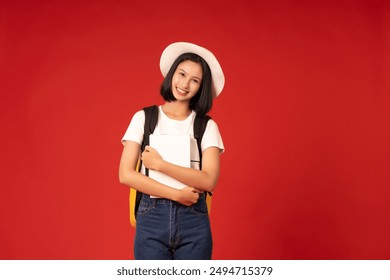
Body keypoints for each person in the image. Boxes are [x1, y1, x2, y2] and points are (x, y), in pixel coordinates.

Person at [119, 42, 225, 260]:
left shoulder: (206, 126)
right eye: (182, 74)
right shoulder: (144, 118)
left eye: (194, 80)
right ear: (172, 74)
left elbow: (209, 181)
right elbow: (126, 175)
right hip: (151, 217)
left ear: (201, 87)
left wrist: (159, 165)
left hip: (194, 221)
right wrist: (177, 194)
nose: (185, 84)